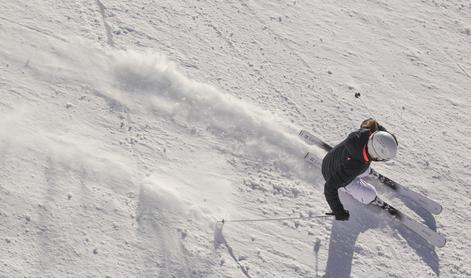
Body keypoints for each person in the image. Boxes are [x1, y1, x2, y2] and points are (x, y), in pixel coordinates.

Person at [321, 118, 398, 221]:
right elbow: (330, 187)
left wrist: (388, 138)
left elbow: (371, 122)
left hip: (333, 157)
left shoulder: (367, 132)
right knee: (369, 194)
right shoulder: (354, 166)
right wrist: (338, 211)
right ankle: (370, 197)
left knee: (364, 167)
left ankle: (367, 172)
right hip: (331, 173)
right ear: (376, 156)